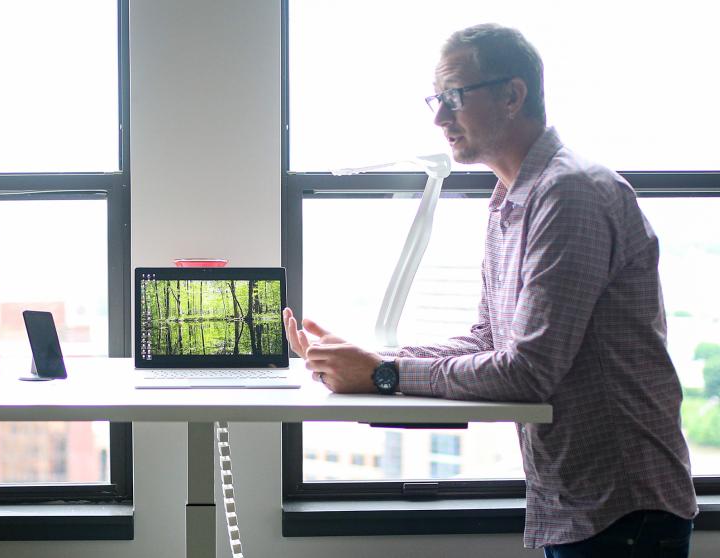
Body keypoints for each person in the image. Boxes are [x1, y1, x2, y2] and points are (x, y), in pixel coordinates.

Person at [284, 24, 697, 557]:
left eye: (453, 97)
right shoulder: (511, 198)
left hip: (622, 504)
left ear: (512, 95)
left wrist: (383, 375)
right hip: (580, 502)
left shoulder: (569, 194)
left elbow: (528, 371)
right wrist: (370, 359)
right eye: (436, 100)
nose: (438, 117)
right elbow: (488, 339)